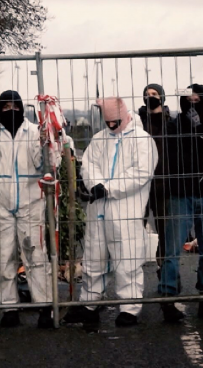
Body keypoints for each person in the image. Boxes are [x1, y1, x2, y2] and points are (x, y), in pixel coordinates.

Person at [65, 97, 157, 329]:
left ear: (125, 116)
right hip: (99, 209)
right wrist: (95, 184)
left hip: (126, 208)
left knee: (127, 259)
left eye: (116, 122)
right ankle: (90, 302)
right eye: (109, 123)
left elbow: (141, 173)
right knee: (94, 257)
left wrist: (108, 187)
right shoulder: (99, 139)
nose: (112, 127)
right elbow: (89, 165)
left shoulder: (142, 140)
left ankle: (129, 307)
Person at [0, 91, 59, 328]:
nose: (11, 111)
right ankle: (9, 307)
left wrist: (43, 141)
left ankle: (44, 306)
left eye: (15, 106)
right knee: (1, 257)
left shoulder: (34, 131)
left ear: (22, 107)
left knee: (36, 255)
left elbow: (46, 163)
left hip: (30, 202)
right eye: (5, 106)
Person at [158, 84, 203, 322]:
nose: (192, 105)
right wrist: (198, 133)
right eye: (189, 101)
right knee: (173, 249)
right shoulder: (174, 125)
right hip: (181, 193)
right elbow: (178, 154)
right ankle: (167, 297)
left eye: (198, 101)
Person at [137, 84, 174, 270]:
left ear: (162, 97)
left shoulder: (170, 122)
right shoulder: (137, 122)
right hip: (140, 184)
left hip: (163, 183)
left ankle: (164, 267)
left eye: (154, 94)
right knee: (135, 226)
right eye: (146, 94)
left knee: (165, 229)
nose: (150, 97)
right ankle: (134, 263)